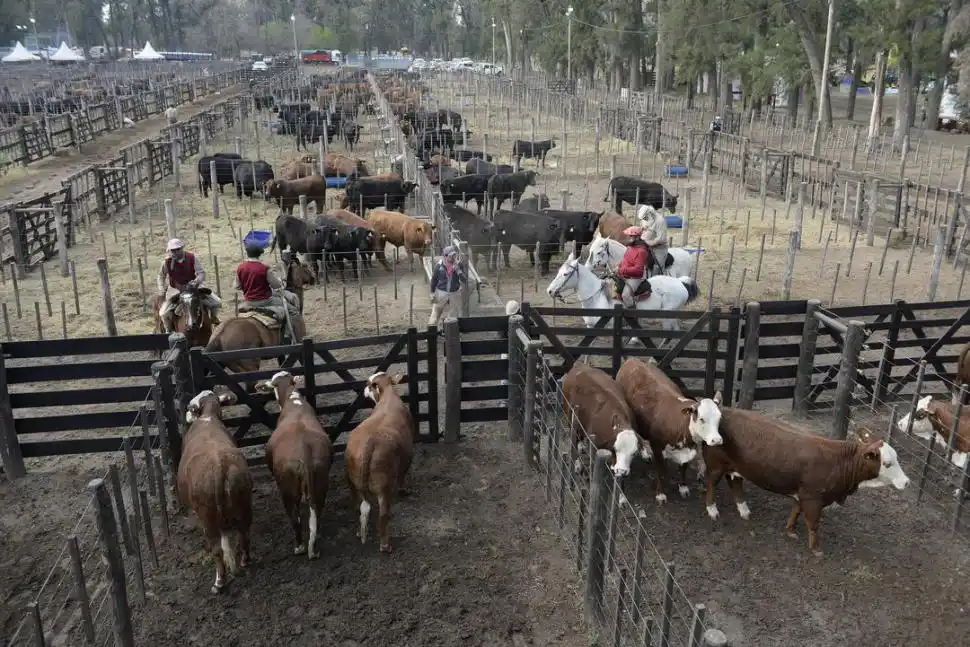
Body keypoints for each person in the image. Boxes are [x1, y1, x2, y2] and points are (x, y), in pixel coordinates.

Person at [156, 238, 221, 333]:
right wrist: (162, 288)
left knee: (216, 302)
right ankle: (168, 331)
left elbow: (201, 272)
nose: (175, 252)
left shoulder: (191, 257)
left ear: (182, 248)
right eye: (173, 250)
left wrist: (197, 281)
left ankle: (214, 319)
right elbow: (161, 276)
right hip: (176, 288)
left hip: (194, 287)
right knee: (163, 313)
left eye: (177, 249)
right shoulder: (166, 262)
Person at [233, 243, 301, 324]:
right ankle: (288, 334)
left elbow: (237, 286)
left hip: (248, 301)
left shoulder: (240, 267)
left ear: (247, 254)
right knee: (293, 310)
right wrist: (279, 280)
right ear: (260, 255)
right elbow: (277, 286)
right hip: (266, 301)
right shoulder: (264, 268)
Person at [429, 246, 466, 325]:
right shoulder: (438, 266)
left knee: (453, 316)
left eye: (454, 255)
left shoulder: (459, 265)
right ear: (445, 256)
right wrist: (432, 293)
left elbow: (464, 280)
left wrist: (458, 271)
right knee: (435, 313)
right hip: (441, 292)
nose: (453, 258)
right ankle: (431, 329)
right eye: (450, 256)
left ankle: (450, 333)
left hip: (454, 293)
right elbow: (434, 280)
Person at [616, 226, 651, 308]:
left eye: (631, 236)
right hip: (625, 274)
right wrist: (619, 265)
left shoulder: (641, 251)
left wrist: (621, 270)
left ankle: (632, 316)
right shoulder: (630, 247)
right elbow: (625, 260)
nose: (629, 238)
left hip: (636, 278)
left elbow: (638, 271)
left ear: (638, 237)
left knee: (625, 295)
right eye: (629, 236)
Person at [637, 205, 669, 276]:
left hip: (658, 248)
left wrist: (649, 243)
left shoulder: (660, 221)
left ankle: (660, 280)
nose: (644, 219)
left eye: (645, 217)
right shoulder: (645, 218)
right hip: (644, 245)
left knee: (657, 268)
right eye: (643, 218)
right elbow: (643, 227)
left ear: (649, 214)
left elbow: (661, 239)